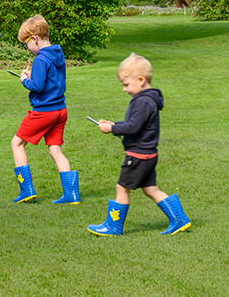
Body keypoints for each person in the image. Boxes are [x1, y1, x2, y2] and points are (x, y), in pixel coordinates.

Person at [88, 53, 191, 236]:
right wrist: (114, 124)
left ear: (140, 80)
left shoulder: (143, 101)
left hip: (138, 155)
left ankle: (113, 226)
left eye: (126, 84)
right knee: (151, 189)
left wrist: (112, 130)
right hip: (148, 154)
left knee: (122, 187)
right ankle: (179, 219)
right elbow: (136, 123)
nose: (124, 89)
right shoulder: (148, 100)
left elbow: (134, 127)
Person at [10, 14, 79, 205]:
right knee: (55, 150)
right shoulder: (57, 53)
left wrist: (25, 80)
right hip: (60, 111)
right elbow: (51, 79)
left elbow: (37, 87)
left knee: (17, 144)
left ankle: (26, 190)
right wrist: (34, 75)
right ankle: (71, 194)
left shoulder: (40, 59)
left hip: (44, 111)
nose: (27, 49)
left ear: (34, 39)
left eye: (26, 44)